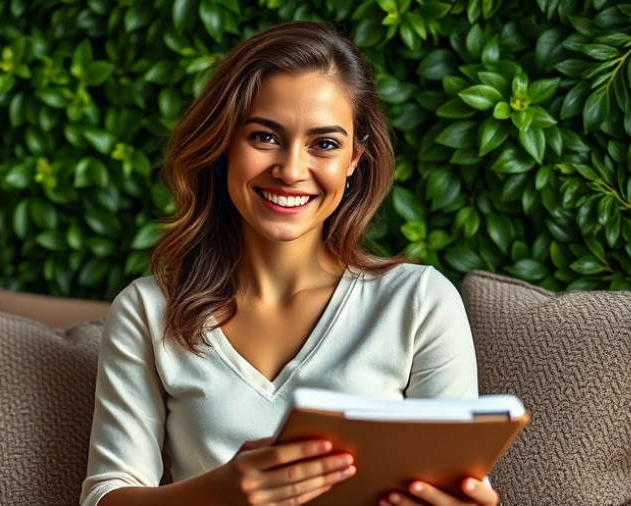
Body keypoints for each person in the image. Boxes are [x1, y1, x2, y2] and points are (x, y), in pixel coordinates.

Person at [80, 20, 499, 506]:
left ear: (354, 160)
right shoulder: (148, 310)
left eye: (324, 144)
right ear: (223, 145)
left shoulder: (419, 301)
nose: (291, 171)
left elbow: (452, 481)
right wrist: (222, 492)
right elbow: (106, 496)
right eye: (264, 137)